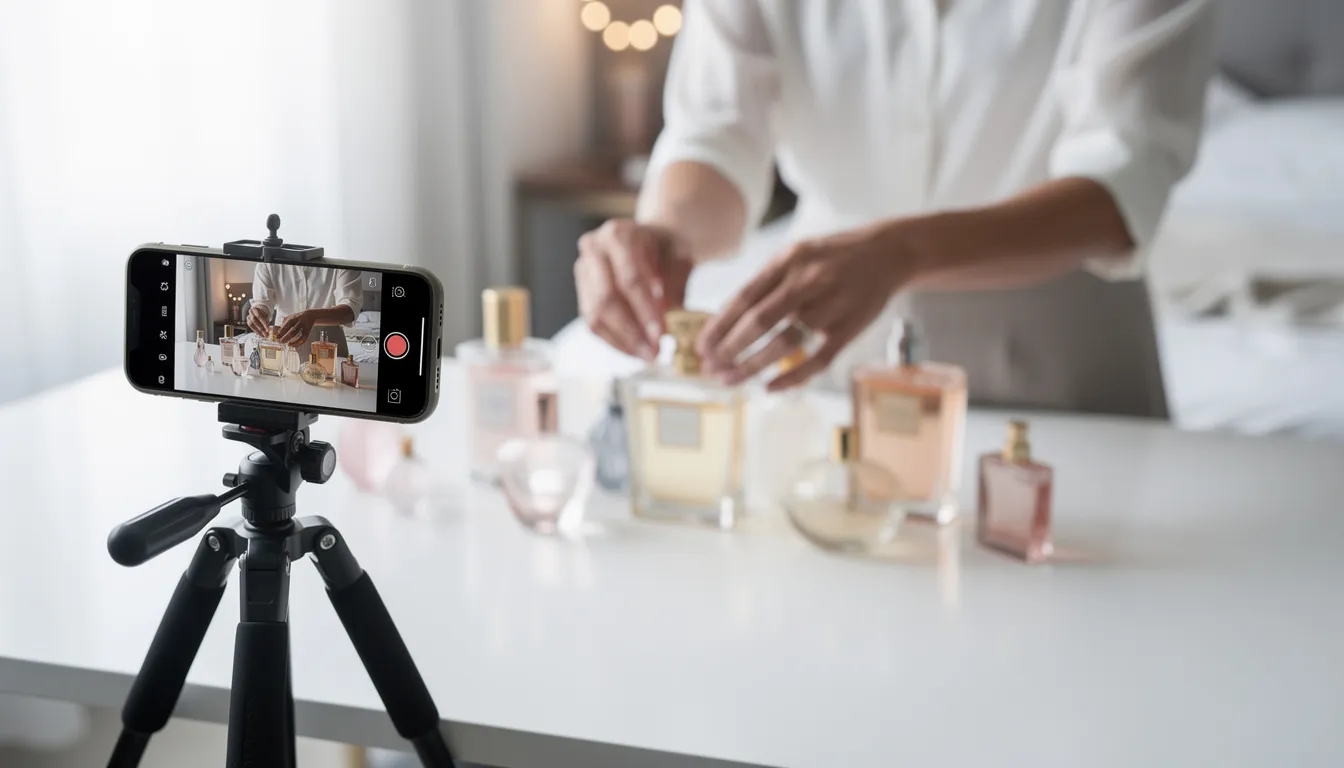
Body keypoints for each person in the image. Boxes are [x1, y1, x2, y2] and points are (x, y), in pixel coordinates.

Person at [574, 0, 1217, 418]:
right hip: (825, 374)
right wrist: (659, 237)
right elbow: (715, 137)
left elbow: (1120, 185)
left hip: (1061, 384)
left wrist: (899, 253)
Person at [246, 263, 363, 360]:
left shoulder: (342, 258)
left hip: (328, 347)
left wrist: (312, 316)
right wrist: (258, 312)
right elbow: (262, 303)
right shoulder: (268, 261)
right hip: (283, 348)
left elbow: (350, 309)